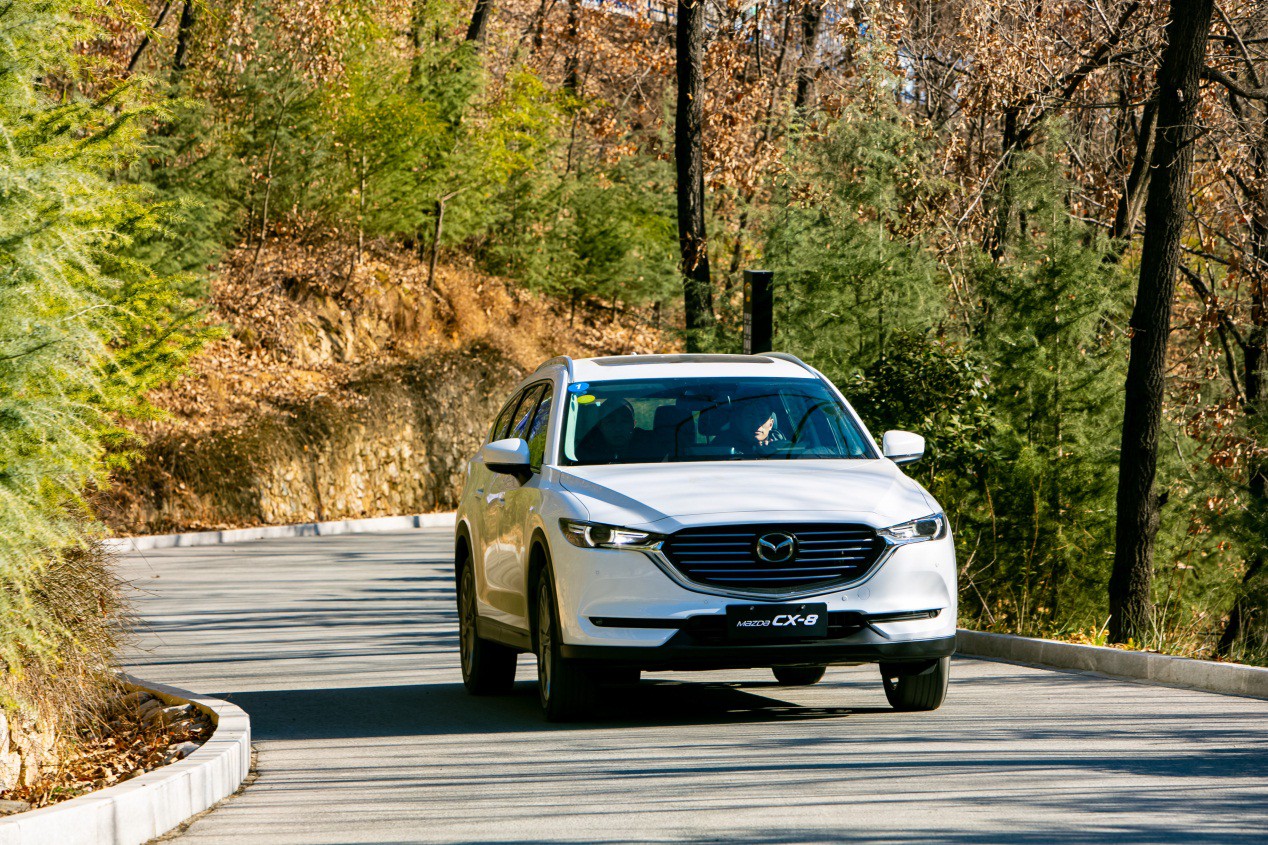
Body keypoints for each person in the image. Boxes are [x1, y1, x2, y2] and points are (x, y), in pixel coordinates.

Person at [576, 399, 636, 463]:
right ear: (600, 425)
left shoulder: (646, 446)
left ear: (634, 424)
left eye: (624, 421)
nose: (618, 428)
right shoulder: (584, 451)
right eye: (611, 422)